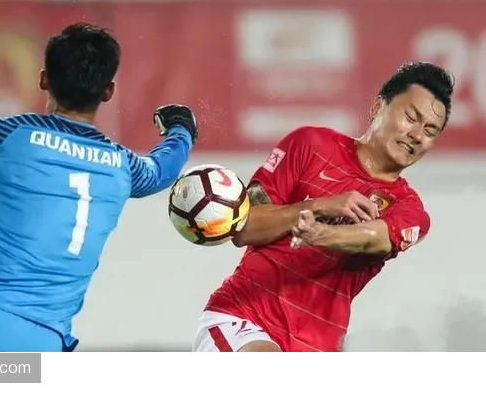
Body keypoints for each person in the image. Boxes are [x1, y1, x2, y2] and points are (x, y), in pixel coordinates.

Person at [0, 23, 198, 353]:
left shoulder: (3, 134)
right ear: (108, 92)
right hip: (41, 340)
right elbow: (161, 171)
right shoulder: (122, 166)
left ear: (43, 79)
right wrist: (181, 129)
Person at [192, 61, 453, 352]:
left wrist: (320, 234)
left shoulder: (409, 210)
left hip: (316, 347)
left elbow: (374, 240)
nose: (417, 135)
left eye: (430, 130)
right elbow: (243, 229)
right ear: (378, 106)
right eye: (410, 117)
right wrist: (317, 207)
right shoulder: (309, 144)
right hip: (242, 318)